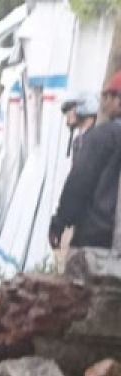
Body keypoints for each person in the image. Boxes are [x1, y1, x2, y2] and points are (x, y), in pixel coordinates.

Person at [50, 72, 121, 250]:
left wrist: (60, 221)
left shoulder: (104, 136)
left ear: (118, 100)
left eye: (107, 96)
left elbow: (79, 183)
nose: (103, 101)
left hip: (98, 240)